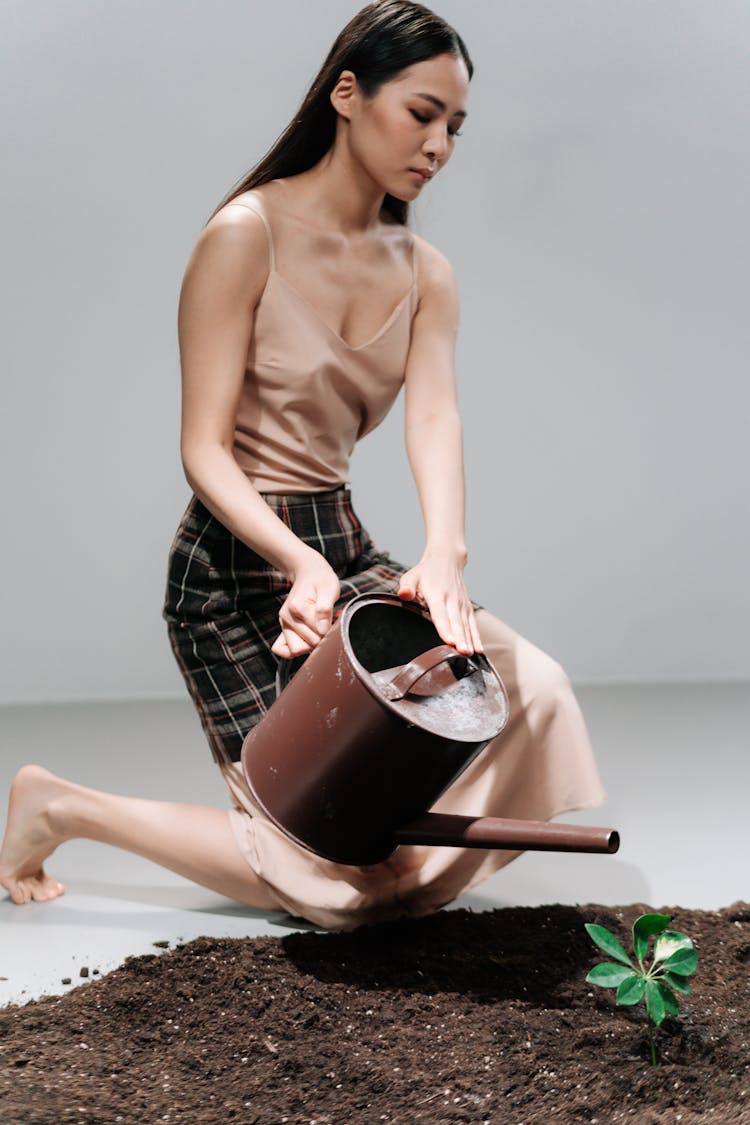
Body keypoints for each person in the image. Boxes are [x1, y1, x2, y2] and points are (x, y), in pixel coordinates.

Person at [0, 0, 606, 926]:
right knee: (334, 888)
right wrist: (298, 562)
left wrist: (444, 552)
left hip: (343, 547)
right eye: (421, 112)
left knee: (534, 691)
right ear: (347, 94)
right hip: (234, 571)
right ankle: (62, 803)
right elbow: (201, 447)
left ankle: (378, 869)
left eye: (456, 125)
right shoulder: (246, 234)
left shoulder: (425, 272)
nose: (439, 144)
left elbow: (435, 416)